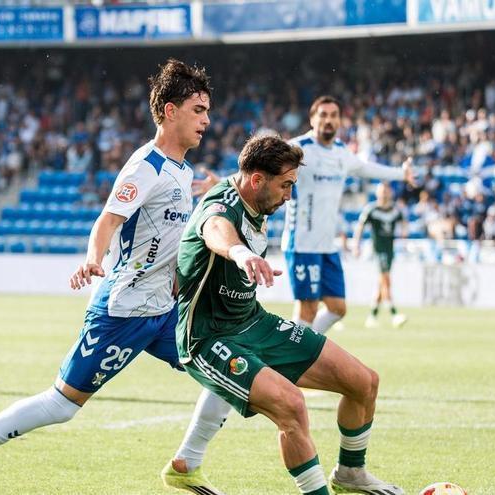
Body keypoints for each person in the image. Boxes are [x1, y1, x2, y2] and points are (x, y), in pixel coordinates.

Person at [0, 59, 229, 495]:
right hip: (124, 311)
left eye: (207, 111)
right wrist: (93, 258)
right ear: (169, 111)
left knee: (228, 370)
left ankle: (187, 464)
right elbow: (108, 220)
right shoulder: (146, 166)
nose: (207, 120)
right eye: (198, 110)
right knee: (62, 404)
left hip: (164, 311)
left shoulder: (182, 170)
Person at [175, 134, 403, 495]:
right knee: (292, 407)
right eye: (285, 185)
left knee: (364, 383)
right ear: (257, 180)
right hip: (208, 337)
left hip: (254, 322)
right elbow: (215, 228)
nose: (289, 195)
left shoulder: (252, 195)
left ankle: (351, 473)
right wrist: (240, 253)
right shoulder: (220, 206)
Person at [283, 95, 414, 335]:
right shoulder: (298, 148)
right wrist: (232, 182)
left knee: (337, 308)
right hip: (302, 243)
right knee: (308, 309)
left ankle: (298, 346)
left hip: (327, 246)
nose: (328, 120)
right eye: (323, 115)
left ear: (340, 121)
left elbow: (367, 169)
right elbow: (263, 164)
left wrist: (400, 174)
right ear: (312, 119)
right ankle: (293, 353)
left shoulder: (342, 152)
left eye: (333, 115)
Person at [352, 182, 409, 329]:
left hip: (390, 250)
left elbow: (404, 223)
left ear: (390, 193)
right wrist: (356, 245)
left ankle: (372, 316)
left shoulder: (395, 210)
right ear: (377, 193)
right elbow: (360, 226)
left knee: (381, 283)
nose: (384, 194)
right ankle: (394, 313)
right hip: (378, 249)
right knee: (386, 280)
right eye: (382, 191)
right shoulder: (371, 209)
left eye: (386, 191)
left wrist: (404, 235)